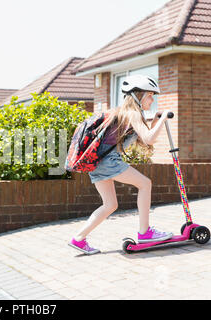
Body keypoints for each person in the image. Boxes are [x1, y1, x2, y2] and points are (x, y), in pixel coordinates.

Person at [69, 74, 173, 255]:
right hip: (109, 162)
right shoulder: (132, 113)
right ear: (137, 96)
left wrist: (155, 120)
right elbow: (149, 139)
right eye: (149, 95)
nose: (152, 99)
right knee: (145, 184)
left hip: (96, 163)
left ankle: (78, 238)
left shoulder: (126, 113)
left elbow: (146, 138)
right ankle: (145, 232)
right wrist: (163, 118)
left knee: (110, 204)